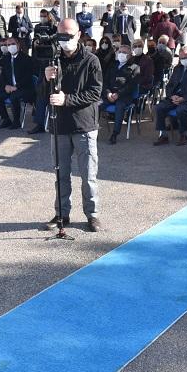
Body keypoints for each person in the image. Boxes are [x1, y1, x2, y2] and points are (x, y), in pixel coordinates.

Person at [43, 19, 103, 231]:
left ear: (78, 35)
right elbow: (42, 95)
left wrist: (67, 99)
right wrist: (46, 79)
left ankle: (92, 215)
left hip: (84, 125)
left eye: (69, 35)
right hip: (59, 125)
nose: (65, 40)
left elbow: (95, 92)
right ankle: (62, 214)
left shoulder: (91, 60)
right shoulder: (53, 59)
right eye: (61, 35)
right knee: (61, 175)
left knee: (88, 175)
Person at [102, 40, 143, 144]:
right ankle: (92, 130)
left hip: (124, 96)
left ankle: (115, 133)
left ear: (130, 55)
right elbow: (105, 81)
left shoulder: (135, 68)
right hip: (110, 94)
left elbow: (131, 86)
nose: (121, 54)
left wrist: (118, 94)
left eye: (124, 52)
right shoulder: (112, 65)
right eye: (120, 52)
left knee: (119, 106)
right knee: (96, 105)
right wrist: (108, 93)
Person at [0, 37, 27, 129]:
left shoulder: (26, 59)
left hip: (22, 87)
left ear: (18, 45)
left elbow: (27, 77)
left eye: (13, 44)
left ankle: (16, 121)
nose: (10, 46)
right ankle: (6, 119)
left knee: (14, 97)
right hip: (9, 86)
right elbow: (3, 76)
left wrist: (16, 87)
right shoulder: (5, 59)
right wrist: (6, 85)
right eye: (8, 45)